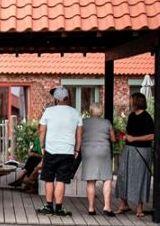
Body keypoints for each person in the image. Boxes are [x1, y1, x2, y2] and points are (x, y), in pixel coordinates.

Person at [37, 86, 84, 216]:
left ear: (56, 99)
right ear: (67, 98)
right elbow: (79, 134)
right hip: (67, 151)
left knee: (49, 179)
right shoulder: (76, 113)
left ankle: (48, 206)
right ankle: (58, 208)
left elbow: (42, 130)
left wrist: (42, 146)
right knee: (61, 180)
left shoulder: (48, 112)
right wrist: (77, 150)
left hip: (51, 150)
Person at [114, 92, 155, 217]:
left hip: (142, 151)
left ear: (137, 101)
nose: (130, 102)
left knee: (140, 178)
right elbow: (130, 133)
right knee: (123, 176)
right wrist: (125, 137)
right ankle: (124, 204)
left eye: (131, 100)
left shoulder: (147, 117)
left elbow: (152, 136)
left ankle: (139, 207)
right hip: (129, 150)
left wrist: (134, 139)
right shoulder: (131, 116)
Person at [80, 103, 116, 216]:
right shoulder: (107, 123)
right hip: (103, 152)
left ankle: (91, 208)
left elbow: (79, 136)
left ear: (90, 111)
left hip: (88, 152)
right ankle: (107, 207)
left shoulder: (84, 122)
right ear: (100, 111)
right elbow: (113, 139)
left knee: (91, 181)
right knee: (107, 179)